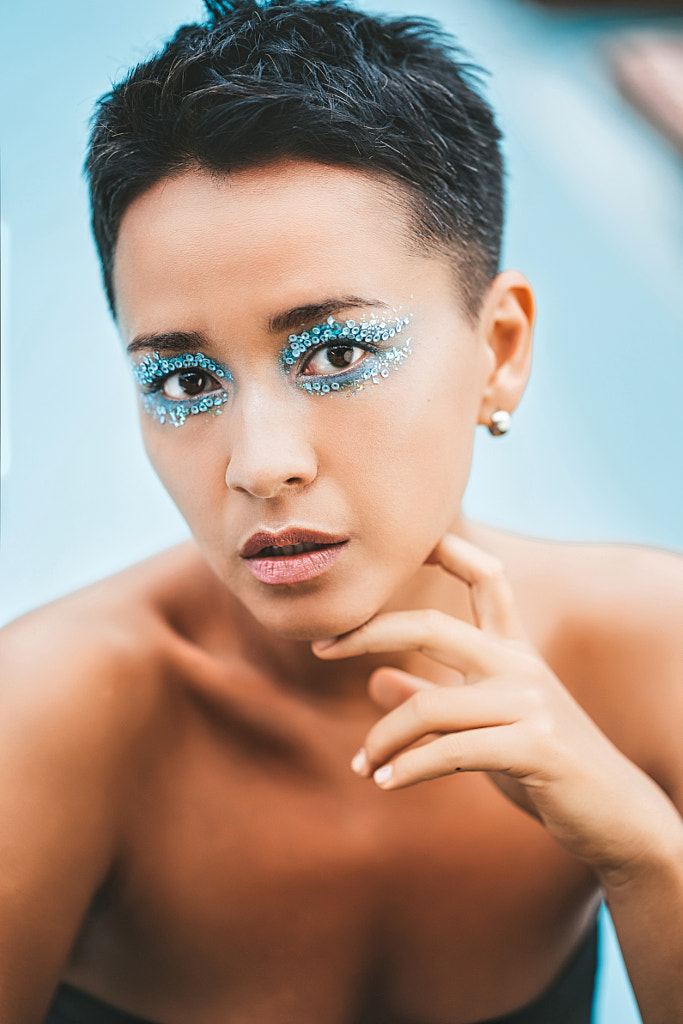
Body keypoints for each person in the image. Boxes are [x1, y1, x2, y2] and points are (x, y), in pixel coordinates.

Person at [0, 1, 681, 1022]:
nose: (258, 466)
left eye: (335, 354)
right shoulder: (47, 724)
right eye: (184, 380)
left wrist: (646, 856)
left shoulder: (647, 654)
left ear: (497, 351)